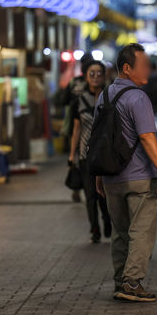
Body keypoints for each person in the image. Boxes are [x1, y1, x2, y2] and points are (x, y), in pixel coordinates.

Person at [95, 43, 157, 302]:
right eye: (142, 65)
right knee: (142, 231)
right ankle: (132, 282)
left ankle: (120, 281)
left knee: (121, 232)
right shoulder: (138, 97)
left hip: (111, 178)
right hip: (139, 177)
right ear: (127, 69)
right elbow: (148, 137)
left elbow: (97, 140)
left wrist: (98, 175)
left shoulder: (104, 96)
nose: (147, 69)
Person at [69, 61, 112, 243]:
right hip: (86, 155)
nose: (95, 77)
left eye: (99, 73)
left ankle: (107, 222)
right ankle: (94, 228)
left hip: (106, 154)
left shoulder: (111, 97)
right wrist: (72, 155)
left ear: (104, 76)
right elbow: (76, 129)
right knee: (90, 194)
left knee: (105, 194)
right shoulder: (79, 101)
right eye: (91, 74)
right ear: (86, 76)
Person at [62, 53, 95, 203]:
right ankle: (90, 185)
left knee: (75, 155)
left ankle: (77, 186)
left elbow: (63, 100)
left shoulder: (74, 82)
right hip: (90, 126)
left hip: (73, 124)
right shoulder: (97, 83)